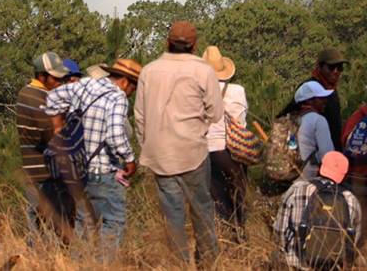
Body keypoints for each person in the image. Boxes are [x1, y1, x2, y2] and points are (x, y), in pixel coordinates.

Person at [135, 20, 224, 266]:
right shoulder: (203, 71)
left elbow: (140, 117)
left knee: (172, 215)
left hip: (160, 155)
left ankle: (180, 264)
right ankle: (209, 263)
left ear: (167, 42)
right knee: (202, 210)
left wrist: (149, 146)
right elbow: (216, 113)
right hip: (192, 152)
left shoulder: (149, 71)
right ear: (194, 45)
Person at [45, 58, 141, 260]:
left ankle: (77, 265)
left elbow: (53, 96)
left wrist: (57, 127)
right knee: (113, 222)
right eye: (133, 88)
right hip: (103, 172)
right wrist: (130, 159)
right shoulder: (117, 97)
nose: (131, 93)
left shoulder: (87, 84)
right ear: (125, 82)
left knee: (84, 224)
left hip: (80, 171)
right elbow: (115, 135)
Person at [17, 51, 73, 243]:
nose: (59, 81)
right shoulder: (37, 96)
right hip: (43, 172)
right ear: (42, 76)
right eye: (55, 77)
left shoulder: (29, 93)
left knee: (38, 223)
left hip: (34, 169)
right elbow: (51, 135)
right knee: (49, 224)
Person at [272, 151, 360, 270]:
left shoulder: (298, 189)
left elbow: (279, 231)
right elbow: (353, 239)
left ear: (320, 167)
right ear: (344, 175)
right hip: (333, 266)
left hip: (296, 265)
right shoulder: (351, 200)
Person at [203, 45, 248, 242]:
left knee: (218, 198)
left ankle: (225, 236)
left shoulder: (201, 92)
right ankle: (240, 234)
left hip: (209, 151)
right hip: (233, 150)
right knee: (238, 196)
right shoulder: (238, 91)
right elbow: (241, 121)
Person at [278, 48, 347, 150]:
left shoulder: (331, 90)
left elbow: (335, 128)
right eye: (331, 67)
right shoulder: (308, 89)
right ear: (320, 67)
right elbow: (289, 115)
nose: (336, 71)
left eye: (340, 67)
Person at [294, 81, 336, 180]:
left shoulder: (292, 119)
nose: (325, 100)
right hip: (308, 177)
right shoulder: (318, 120)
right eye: (321, 98)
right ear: (310, 101)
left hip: (290, 175)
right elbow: (327, 155)